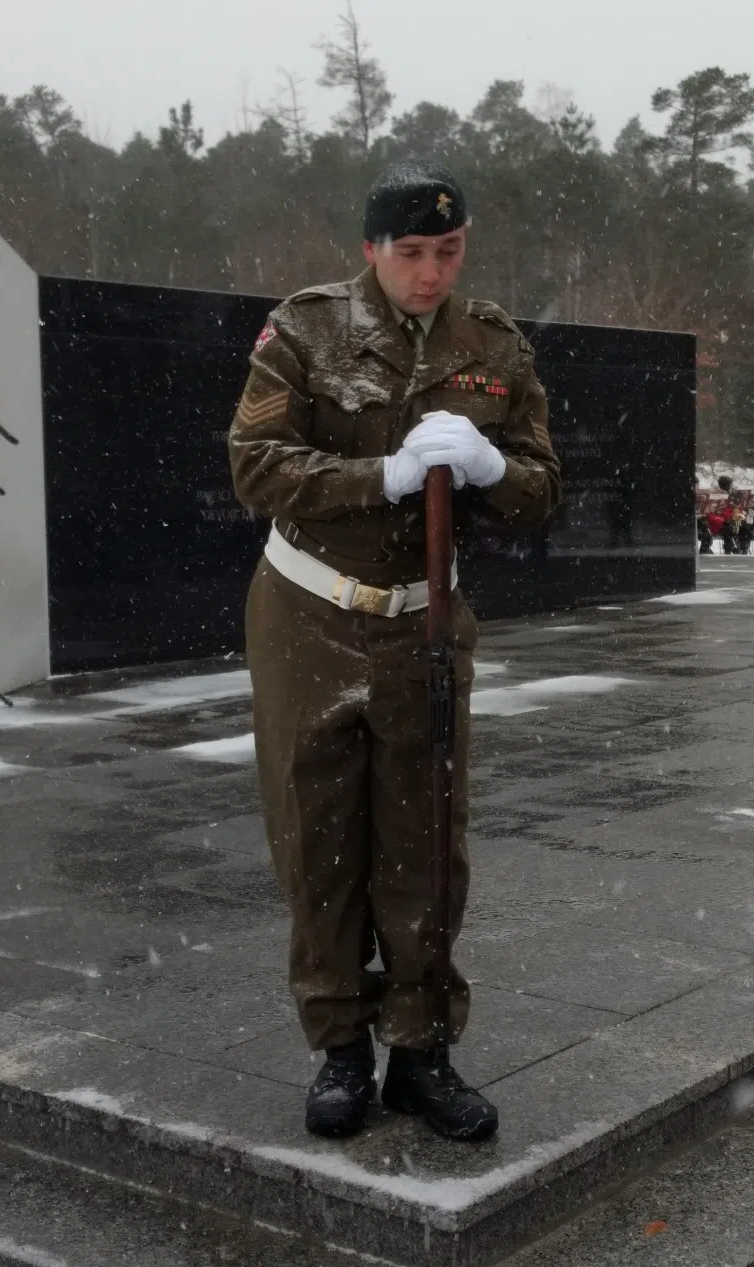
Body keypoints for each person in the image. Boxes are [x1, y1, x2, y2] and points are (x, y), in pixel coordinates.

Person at [228, 161, 561, 1142]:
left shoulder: (492, 343)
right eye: (410, 252)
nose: (429, 272)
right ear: (372, 248)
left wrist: (496, 465)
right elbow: (254, 464)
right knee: (317, 832)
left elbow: (542, 487)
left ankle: (421, 1049)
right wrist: (383, 474)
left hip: (423, 617)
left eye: (447, 251)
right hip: (310, 611)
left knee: (424, 837)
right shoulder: (305, 328)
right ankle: (340, 1045)